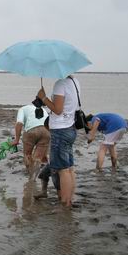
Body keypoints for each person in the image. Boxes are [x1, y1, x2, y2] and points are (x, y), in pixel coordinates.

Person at [38, 75, 81, 207]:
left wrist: (43, 98)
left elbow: (57, 110)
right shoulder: (74, 81)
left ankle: (65, 202)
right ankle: (69, 198)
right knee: (69, 168)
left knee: (62, 170)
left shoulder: (60, 84)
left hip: (60, 130)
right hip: (70, 128)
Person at [10, 103, 49, 177]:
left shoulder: (22, 109)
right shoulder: (43, 109)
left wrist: (16, 140)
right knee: (37, 158)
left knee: (27, 155)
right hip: (46, 131)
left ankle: (30, 174)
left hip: (31, 130)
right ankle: (34, 177)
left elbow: (19, 123)